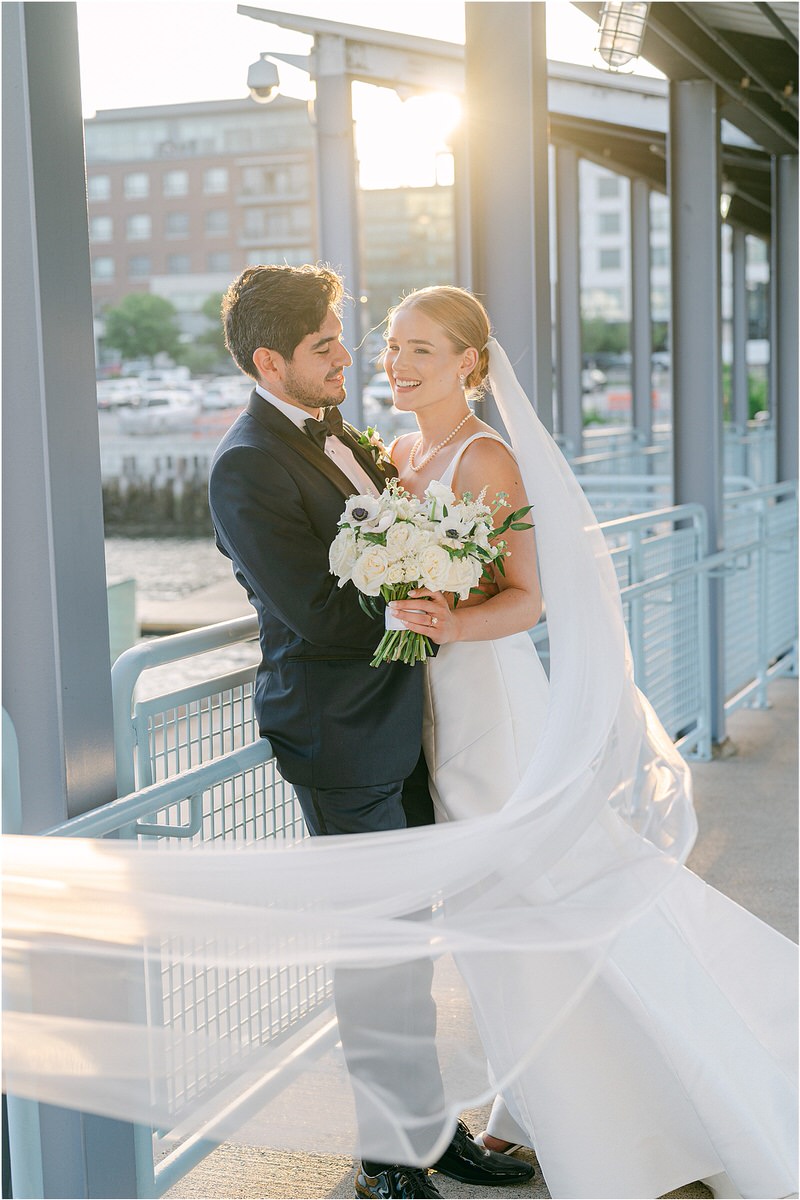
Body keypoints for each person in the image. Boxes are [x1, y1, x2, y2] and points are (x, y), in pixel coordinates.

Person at [383, 286, 798, 1200]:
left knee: (540, 905)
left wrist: (453, 624)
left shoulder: (487, 458)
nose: (398, 365)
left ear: (468, 363)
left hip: (488, 706)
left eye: (420, 350)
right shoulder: (403, 454)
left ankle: (659, 1109)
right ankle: (544, 1102)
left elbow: (527, 597)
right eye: (393, 346)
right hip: (428, 706)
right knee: (497, 924)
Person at [207, 264, 534, 1199]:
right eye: (325, 347)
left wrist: (437, 582)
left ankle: (428, 1132)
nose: (348, 359)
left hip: (411, 722)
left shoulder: (344, 434)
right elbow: (317, 611)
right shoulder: (246, 464)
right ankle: (388, 1163)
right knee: (377, 957)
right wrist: (425, 591)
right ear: (271, 363)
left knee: (411, 947)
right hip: (339, 735)